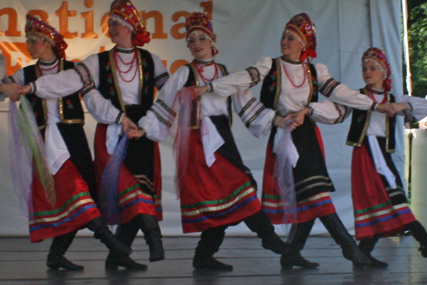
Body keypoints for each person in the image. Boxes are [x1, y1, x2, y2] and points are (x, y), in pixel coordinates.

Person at [192, 13, 402, 268]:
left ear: (304, 43)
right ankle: (350, 250)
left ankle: (291, 252)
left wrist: (374, 106)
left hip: (308, 138)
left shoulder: (315, 72)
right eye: (283, 36)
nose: (285, 41)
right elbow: (243, 78)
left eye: (291, 37)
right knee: (316, 194)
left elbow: (342, 94)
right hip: (284, 137)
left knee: (310, 196)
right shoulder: (270, 65)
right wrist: (211, 87)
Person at [14, 0, 169, 270]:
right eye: (109, 24)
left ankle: (112, 253)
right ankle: (143, 242)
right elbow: (68, 84)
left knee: (115, 194)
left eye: (115, 23)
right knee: (101, 194)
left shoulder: (150, 60)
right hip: (106, 133)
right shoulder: (93, 63)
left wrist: (150, 121)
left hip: (136, 132)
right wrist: (26, 87)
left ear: (131, 26)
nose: (110, 28)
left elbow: (170, 92)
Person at [132, 12, 289, 271]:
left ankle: (204, 256)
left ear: (212, 39)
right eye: (191, 39)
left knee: (229, 199)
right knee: (235, 194)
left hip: (223, 142)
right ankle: (269, 239)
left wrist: (277, 120)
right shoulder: (184, 73)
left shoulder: (226, 73)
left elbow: (248, 106)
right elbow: (164, 105)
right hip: (198, 146)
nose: (196, 43)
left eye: (202, 37)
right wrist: (143, 128)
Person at [0, 14, 132, 270]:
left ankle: (56, 255)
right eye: (28, 41)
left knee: (82, 196)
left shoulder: (73, 70)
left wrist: (119, 117)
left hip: (74, 139)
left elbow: (93, 99)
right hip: (45, 143)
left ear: (47, 42)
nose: (28, 46)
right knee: (74, 192)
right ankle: (113, 245)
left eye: (32, 41)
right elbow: (4, 89)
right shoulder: (25, 74)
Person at [346, 47, 427, 267]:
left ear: (384, 72)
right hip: (366, 155)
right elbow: (338, 105)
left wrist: (400, 106)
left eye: (373, 67)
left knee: (391, 199)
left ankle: (361, 255)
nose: (367, 71)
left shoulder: (394, 98)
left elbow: (424, 107)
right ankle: (426, 243)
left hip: (383, 154)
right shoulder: (358, 97)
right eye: (364, 68)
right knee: (387, 200)